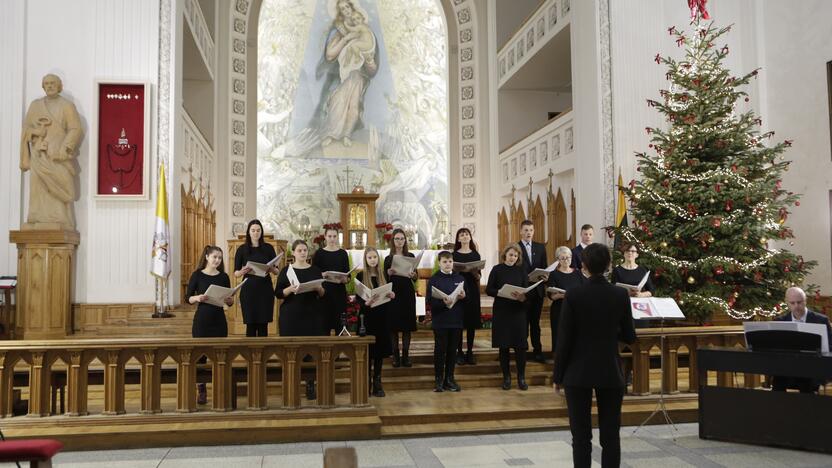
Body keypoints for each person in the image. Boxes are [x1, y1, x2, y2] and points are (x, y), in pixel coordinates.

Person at [555, 243, 636, 468]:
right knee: (611, 436)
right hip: (610, 369)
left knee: (580, 437)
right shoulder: (620, 294)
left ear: (584, 266)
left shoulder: (573, 294)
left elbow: (564, 340)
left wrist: (558, 376)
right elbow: (629, 336)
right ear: (609, 265)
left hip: (577, 371)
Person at [19, 73, 83, 229]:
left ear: (59, 86)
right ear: (43, 86)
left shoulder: (67, 106)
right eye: (46, 83)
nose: (49, 86)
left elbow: (75, 129)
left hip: (57, 156)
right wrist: (35, 133)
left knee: (61, 186)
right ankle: (36, 219)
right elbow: (26, 129)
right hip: (39, 156)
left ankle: (60, 219)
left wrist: (64, 148)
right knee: (39, 188)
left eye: (53, 83)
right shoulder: (35, 105)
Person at [275, 240, 327, 400]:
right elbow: (277, 293)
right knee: (292, 352)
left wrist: (319, 288)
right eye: (299, 250)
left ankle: (310, 385)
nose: (303, 253)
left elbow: (323, 294)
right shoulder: (286, 271)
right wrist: (290, 289)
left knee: (311, 351)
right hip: (291, 316)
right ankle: (291, 384)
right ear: (293, 253)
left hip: (312, 315)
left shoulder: (315, 270)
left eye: (305, 250)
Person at [186, 245, 234, 404]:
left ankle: (221, 390)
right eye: (214, 257)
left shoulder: (224, 277)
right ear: (207, 257)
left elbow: (230, 300)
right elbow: (188, 298)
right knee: (200, 358)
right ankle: (201, 390)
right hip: (202, 321)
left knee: (220, 356)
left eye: (219, 258)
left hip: (219, 320)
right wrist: (198, 298)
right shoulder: (197, 275)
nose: (217, 260)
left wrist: (229, 300)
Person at [771, 287, 832, 393]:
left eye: (799, 302)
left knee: (806, 382)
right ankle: (779, 408)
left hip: (813, 368)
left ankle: (808, 409)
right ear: (787, 303)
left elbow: (830, 346)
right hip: (789, 368)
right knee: (778, 382)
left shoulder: (821, 320)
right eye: (792, 303)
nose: (796, 306)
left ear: (805, 301)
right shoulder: (780, 321)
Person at [486, 244, 530, 391]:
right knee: (504, 346)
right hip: (502, 311)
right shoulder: (497, 269)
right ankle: (506, 378)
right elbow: (489, 289)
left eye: (516, 256)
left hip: (518, 312)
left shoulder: (522, 271)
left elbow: (527, 292)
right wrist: (501, 292)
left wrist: (522, 297)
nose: (513, 258)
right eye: (511, 255)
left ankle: (521, 378)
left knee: (520, 347)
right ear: (505, 255)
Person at [355, 247, 395, 397]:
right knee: (367, 352)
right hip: (367, 318)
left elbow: (388, 295)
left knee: (379, 352)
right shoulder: (360, 275)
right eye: (370, 257)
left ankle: (377, 382)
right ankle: (366, 383)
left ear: (378, 259)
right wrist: (366, 301)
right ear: (365, 259)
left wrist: (391, 295)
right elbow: (358, 298)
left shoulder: (383, 275)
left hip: (382, 317)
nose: (373, 260)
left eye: (375, 257)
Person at [428, 251, 467, 392]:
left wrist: (463, 296)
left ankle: (449, 379)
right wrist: (443, 302)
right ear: (439, 263)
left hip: (456, 320)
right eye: (444, 261)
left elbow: (466, 301)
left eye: (450, 261)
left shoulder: (460, 278)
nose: (448, 264)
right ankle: (438, 379)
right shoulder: (434, 279)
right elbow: (430, 301)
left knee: (452, 351)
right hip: (440, 321)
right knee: (440, 351)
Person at [233, 219, 278, 337]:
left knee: (263, 325)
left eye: (258, 230)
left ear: (261, 232)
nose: (256, 233)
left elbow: (277, 271)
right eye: (253, 230)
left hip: (265, 289)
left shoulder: (268, 248)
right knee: (250, 325)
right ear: (248, 232)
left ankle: (263, 355)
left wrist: (271, 269)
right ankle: (250, 355)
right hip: (249, 290)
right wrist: (242, 271)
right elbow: (236, 273)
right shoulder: (242, 249)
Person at [384, 228, 418, 367]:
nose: (399, 241)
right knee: (393, 326)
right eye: (397, 239)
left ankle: (406, 356)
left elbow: (416, 277)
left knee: (407, 326)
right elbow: (384, 278)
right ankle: (395, 356)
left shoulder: (410, 255)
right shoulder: (388, 258)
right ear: (393, 240)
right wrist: (388, 272)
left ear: (405, 240)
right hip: (393, 293)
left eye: (402, 239)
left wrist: (413, 275)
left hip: (407, 293)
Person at [517, 219, 548, 363]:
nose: (528, 233)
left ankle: (538, 351)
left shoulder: (540, 247)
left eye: (531, 230)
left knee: (535, 323)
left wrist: (544, 277)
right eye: (526, 230)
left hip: (537, 291)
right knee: (523, 323)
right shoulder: (515, 247)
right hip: (523, 291)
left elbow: (545, 268)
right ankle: (522, 350)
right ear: (521, 231)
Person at [546, 246, 584, 359]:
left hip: (575, 309)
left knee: (575, 335)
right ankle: (558, 359)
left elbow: (583, 291)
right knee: (559, 336)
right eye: (562, 258)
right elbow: (551, 295)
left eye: (568, 258)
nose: (566, 260)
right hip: (559, 309)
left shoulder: (577, 273)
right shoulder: (553, 274)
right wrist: (560, 295)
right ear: (558, 259)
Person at [312, 227, 351, 334]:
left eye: (334, 236)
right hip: (324, 293)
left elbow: (348, 276)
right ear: (325, 237)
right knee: (324, 326)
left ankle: (340, 351)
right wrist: (322, 274)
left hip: (339, 293)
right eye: (329, 236)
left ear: (337, 237)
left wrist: (345, 279)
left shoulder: (342, 253)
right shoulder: (319, 253)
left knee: (340, 326)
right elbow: (313, 274)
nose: (332, 239)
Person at [452, 227, 482, 366]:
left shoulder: (475, 255)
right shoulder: (454, 255)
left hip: (472, 290)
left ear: (470, 237)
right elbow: (450, 274)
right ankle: (459, 352)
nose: (464, 236)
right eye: (461, 235)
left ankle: (470, 351)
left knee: (471, 322)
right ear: (458, 239)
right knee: (458, 322)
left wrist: (473, 272)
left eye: (466, 234)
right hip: (458, 289)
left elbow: (478, 276)